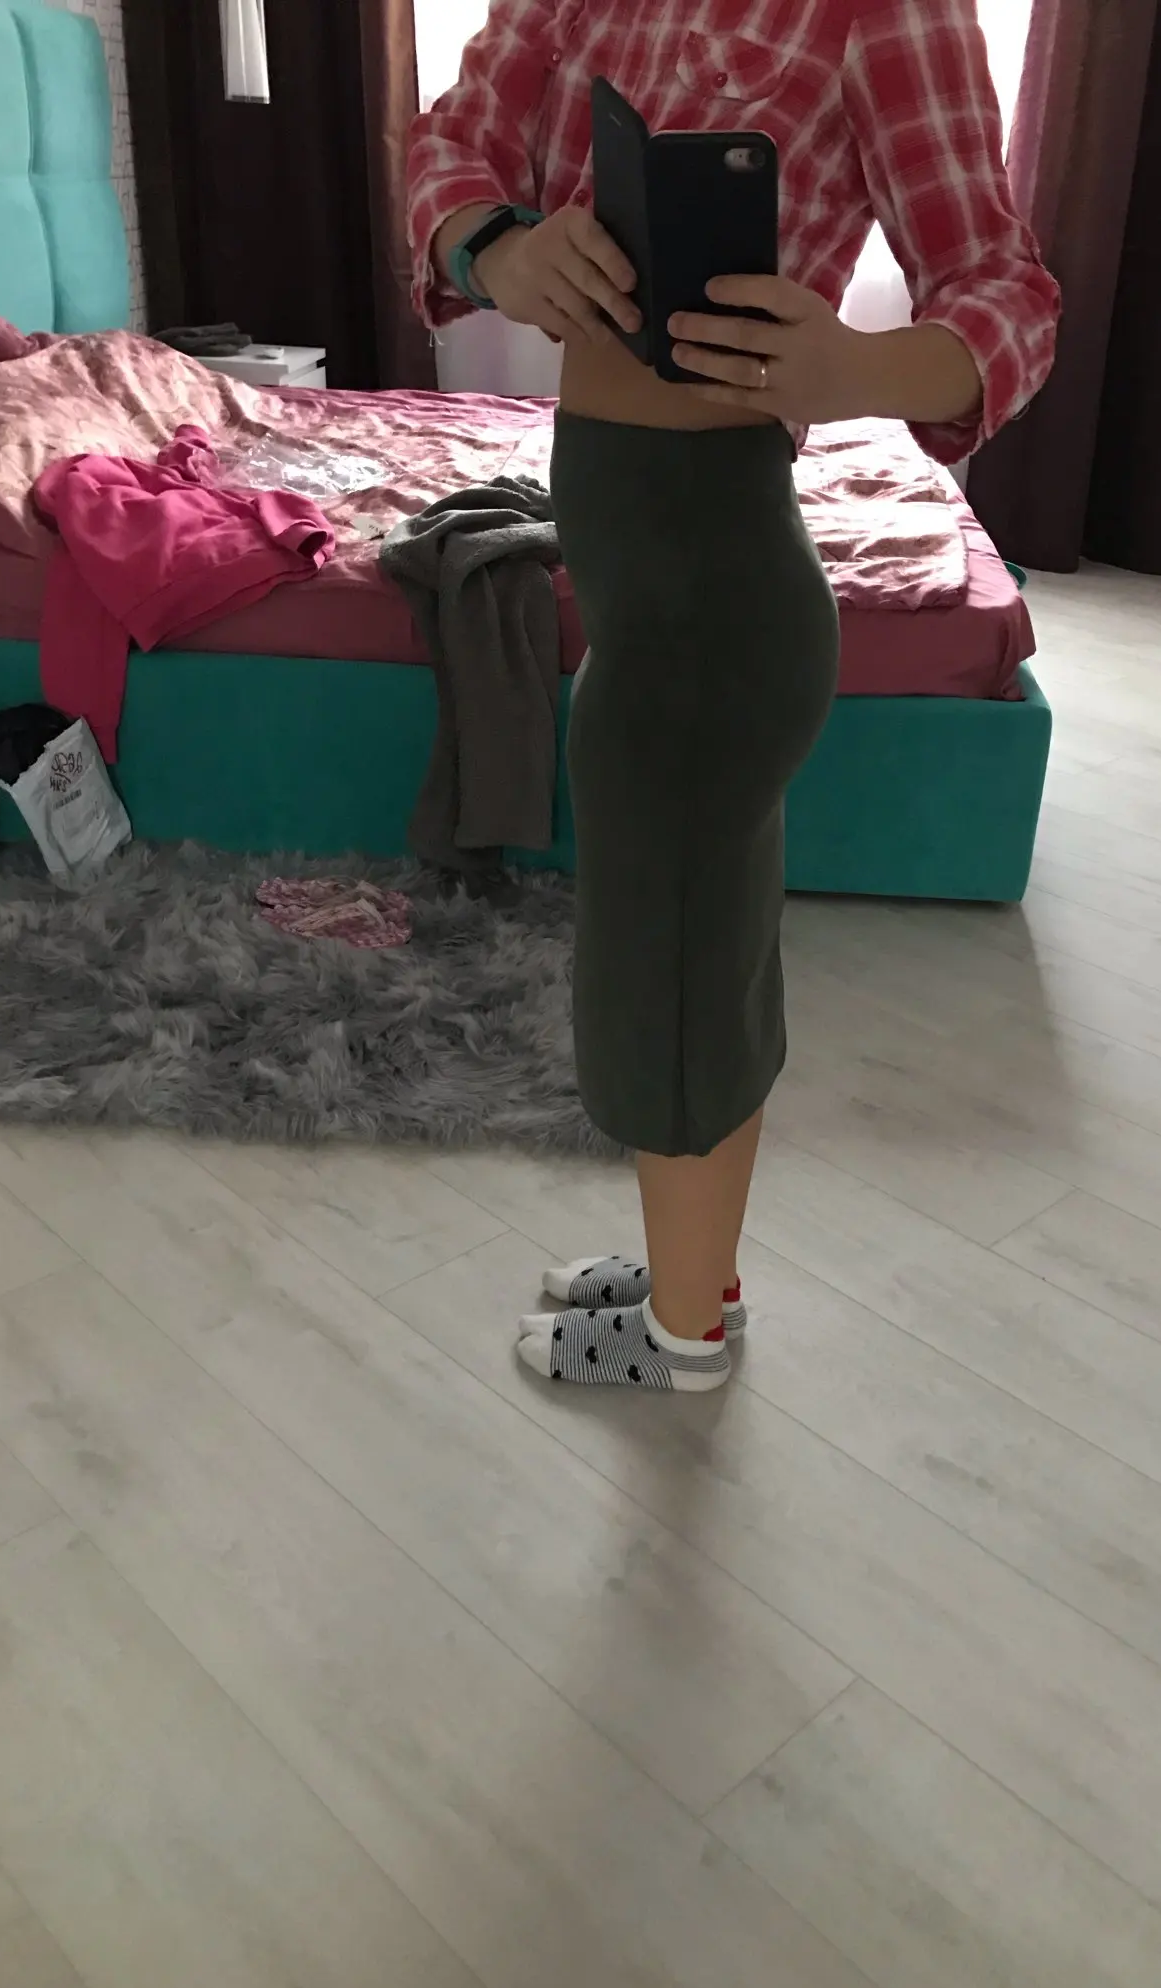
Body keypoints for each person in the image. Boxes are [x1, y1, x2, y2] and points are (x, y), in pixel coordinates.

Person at [407, 0, 1059, 1392]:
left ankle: (682, 1341)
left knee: (678, 985)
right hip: (652, 606)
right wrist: (497, 246)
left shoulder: (883, 10)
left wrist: (855, 369)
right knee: (689, 966)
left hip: (714, 604)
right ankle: (692, 1272)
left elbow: (1006, 295)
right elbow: (454, 139)